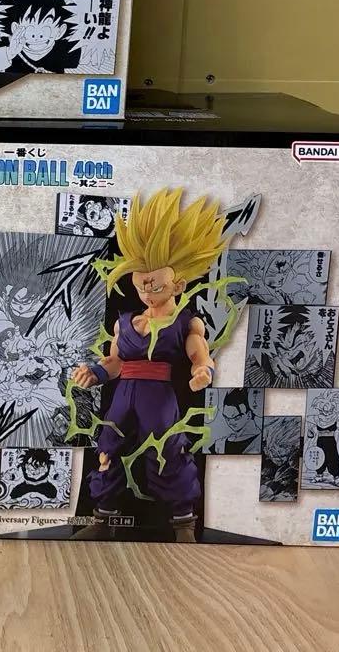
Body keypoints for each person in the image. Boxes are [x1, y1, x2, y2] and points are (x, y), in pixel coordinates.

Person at [72, 188, 232, 542]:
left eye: (154, 284)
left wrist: (202, 371)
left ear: (177, 284)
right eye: (140, 282)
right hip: (123, 394)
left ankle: (184, 524)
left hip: (158, 396)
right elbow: (115, 362)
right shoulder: (126, 321)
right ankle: (103, 518)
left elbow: (200, 354)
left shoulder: (186, 322)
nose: (146, 290)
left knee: (166, 452)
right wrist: (94, 373)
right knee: (108, 449)